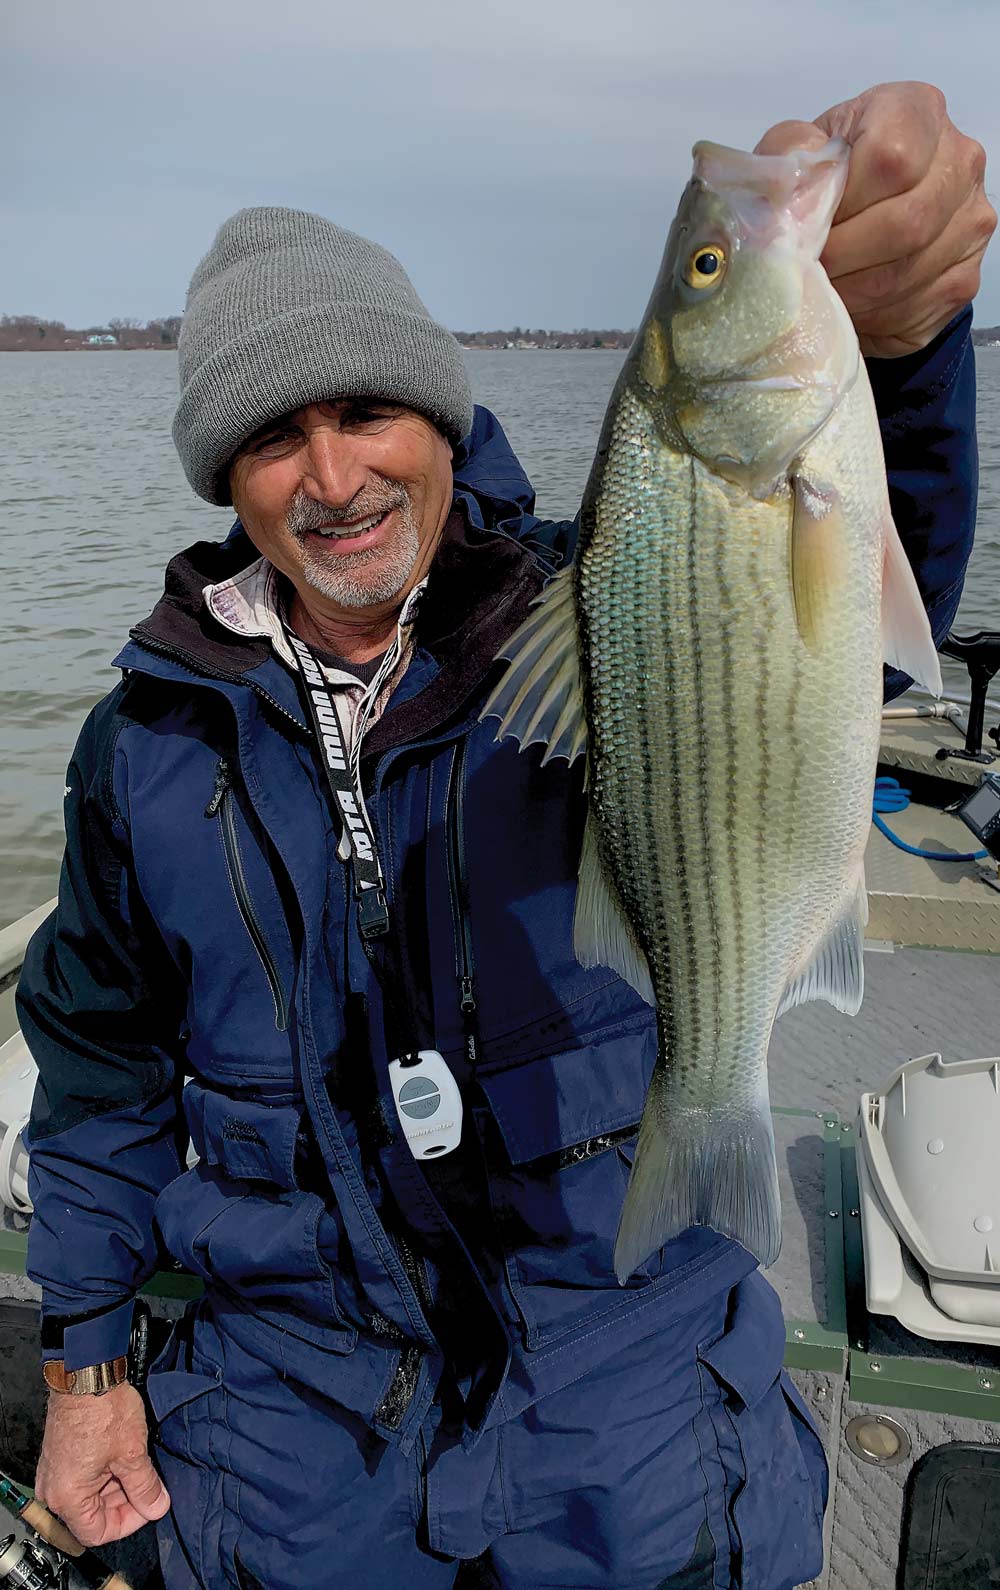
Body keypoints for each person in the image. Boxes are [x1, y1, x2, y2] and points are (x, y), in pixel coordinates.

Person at [16, 81, 993, 1590]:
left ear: (444, 421)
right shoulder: (144, 752)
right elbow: (94, 1077)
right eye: (275, 436)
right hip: (286, 1430)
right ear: (225, 476)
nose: (334, 478)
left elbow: (853, 615)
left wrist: (912, 355)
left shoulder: (588, 600)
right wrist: (84, 1377)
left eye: (367, 412)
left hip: (629, 1373)